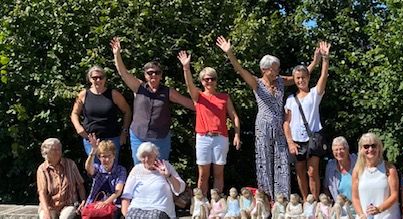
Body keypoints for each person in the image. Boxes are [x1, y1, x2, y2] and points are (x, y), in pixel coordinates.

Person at [216, 35, 319, 200]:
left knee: (282, 160)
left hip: (279, 126)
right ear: (265, 69)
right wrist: (230, 53)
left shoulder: (279, 81)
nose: (278, 70)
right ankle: (266, 199)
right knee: (264, 161)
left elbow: (301, 77)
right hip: (263, 126)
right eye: (275, 68)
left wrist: (315, 61)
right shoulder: (256, 82)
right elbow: (240, 70)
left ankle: (282, 199)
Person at [110, 37, 194, 164]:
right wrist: (117, 55)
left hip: (160, 138)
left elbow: (189, 103)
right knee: (140, 169)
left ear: (161, 75)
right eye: (150, 73)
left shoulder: (168, 91)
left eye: (156, 72)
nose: (153, 75)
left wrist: (210, 107)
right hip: (138, 136)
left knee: (161, 170)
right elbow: (123, 73)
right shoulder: (138, 87)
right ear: (145, 75)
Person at [177, 51, 241, 195]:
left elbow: (234, 116)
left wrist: (237, 135)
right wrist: (186, 68)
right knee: (203, 174)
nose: (209, 82)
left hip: (221, 138)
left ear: (216, 80)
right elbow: (189, 84)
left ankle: (216, 206)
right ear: (202, 81)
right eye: (206, 79)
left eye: (212, 79)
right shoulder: (198, 96)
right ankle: (201, 204)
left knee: (219, 173)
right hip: (203, 138)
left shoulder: (224, 97)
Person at [283, 41, 331, 199]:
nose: (300, 81)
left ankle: (315, 200)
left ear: (308, 77)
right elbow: (286, 122)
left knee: (312, 172)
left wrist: (325, 59)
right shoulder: (290, 99)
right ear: (294, 79)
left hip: (313, 137)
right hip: (297, 140)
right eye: (297, 78)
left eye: (303, 77)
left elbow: (323, 76)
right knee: (300, 171)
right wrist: (289, 141)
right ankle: (305, 200)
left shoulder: (314, 94)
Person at [80, 134, 127, 219]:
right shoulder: (98, 168)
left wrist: (105, 203)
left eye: (107, 156)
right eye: (101, 156)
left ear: (113, 155)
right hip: (94, 206)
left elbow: (118, 191)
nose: (104, 160)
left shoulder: (120, 170)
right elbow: (88, 169)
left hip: (112, 205)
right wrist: (92, 152)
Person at [36, 138, 86, 219]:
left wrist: (84, 201)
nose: (58, 152)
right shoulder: (42, 169)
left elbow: (80, 185)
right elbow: (41, 192)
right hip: (50, 205)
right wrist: (46, 212)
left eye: (59, 148)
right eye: (54, 149)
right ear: (46, 153)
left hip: (68, 203)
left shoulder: (70, 164)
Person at [70, 65, 131, 162]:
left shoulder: (114, 94)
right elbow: (74, 113)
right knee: (95, 170)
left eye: (100, 77)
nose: (98, 80)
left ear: (105, 78)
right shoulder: (83, 95)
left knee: (112, 170)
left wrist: (124, 131)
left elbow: (127, 111)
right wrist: (78, 127)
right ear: (90, 79)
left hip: (112, 139)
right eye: (94, 78)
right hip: (91, 140)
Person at [324, 136, 357, 201]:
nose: (339, 152)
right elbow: (326, 188)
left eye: (341, 149)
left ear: (347, 150)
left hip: (359, 206)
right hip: (340, 208)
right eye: (336, 150)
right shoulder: (330, 167)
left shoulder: (357, 162)